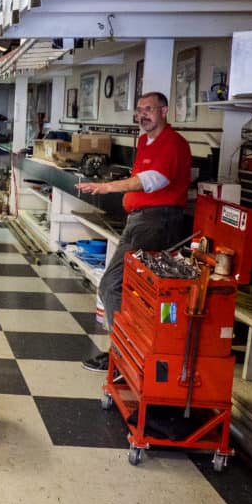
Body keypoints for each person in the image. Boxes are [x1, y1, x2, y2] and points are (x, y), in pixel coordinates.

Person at [76, 91, 192, 372]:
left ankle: (122, 355)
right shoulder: (144, 141)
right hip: (141, 219)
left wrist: (106, 187)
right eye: (139, 109)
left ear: (164, 111)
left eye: (149, 109)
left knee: (113, 284)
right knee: (131, 288)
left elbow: (152, 180)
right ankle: (132, 351)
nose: (143, 114)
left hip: (157, 222)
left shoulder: (173, 143)